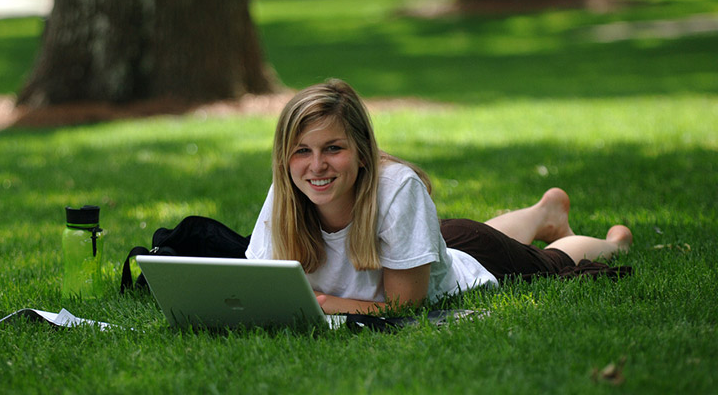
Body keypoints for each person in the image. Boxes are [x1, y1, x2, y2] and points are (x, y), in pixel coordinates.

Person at [245, 79, 633, 315]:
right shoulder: (286, 190)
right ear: (284, 158)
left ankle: (613, 242)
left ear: (364, 153)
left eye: (332, 148)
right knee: (465, 240)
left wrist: (324, 302)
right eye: (301, 151)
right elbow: (259, 284)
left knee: (551, 261)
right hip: (437, 246)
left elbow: (406, 306)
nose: (316, 166)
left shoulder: (397, 188)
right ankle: (544, 212)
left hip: (475, 262)